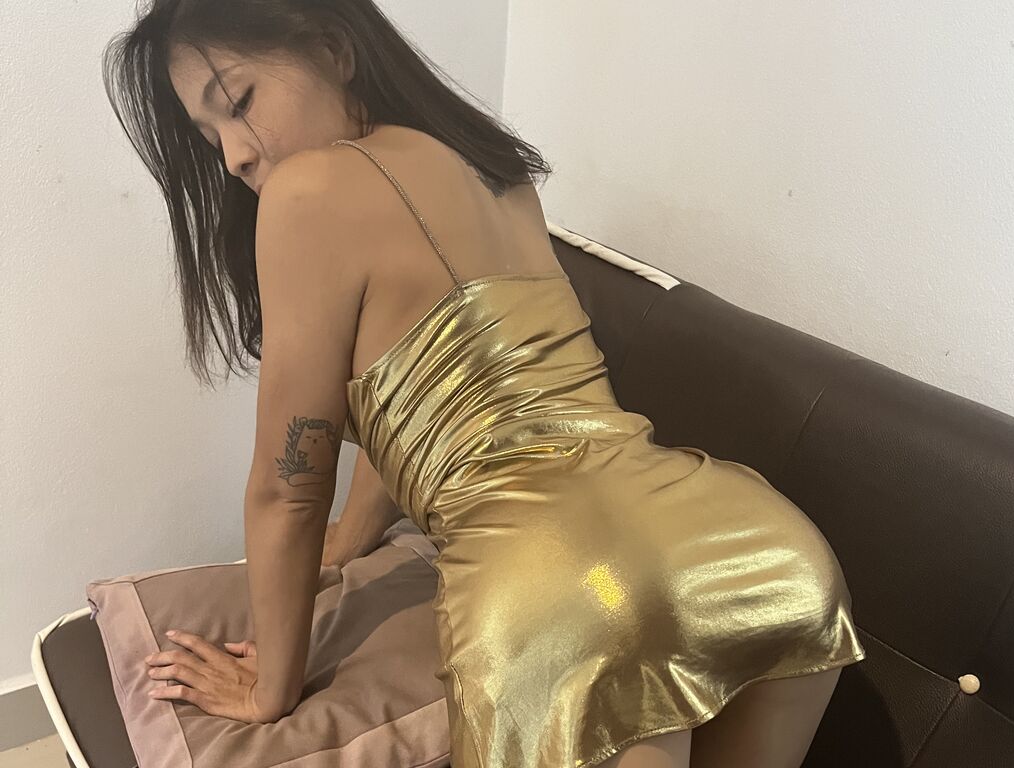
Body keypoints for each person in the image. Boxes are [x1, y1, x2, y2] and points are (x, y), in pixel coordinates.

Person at [104, 1, 866, 766]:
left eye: (238, 103)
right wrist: (354, 539)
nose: (234, 156)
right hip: (755, 548)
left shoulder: (307, 193)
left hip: (567, 596)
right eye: (210, 138)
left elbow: (288, 490)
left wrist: (270, 687)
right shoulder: (496, 171)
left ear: (333, 49)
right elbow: (434, 394)